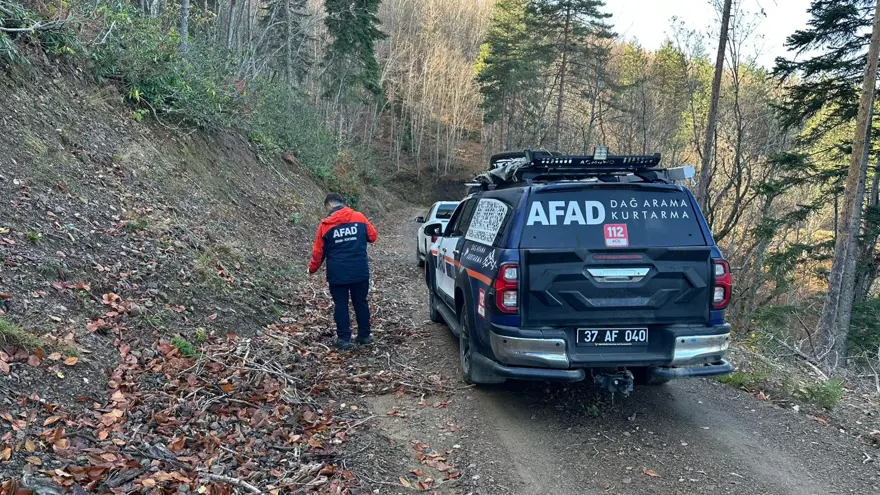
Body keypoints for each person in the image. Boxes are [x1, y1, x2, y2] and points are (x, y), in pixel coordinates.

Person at [308, 193, 378, 350]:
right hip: (359, 270)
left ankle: (344, 340)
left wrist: (312, 269)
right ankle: (365, 336)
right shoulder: (359, 217)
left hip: (337, 273)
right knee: (360, 302)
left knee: (341, 304)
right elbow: (372, 236)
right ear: (342, 203)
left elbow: (318, 253)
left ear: (329, 206)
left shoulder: (326, 225)